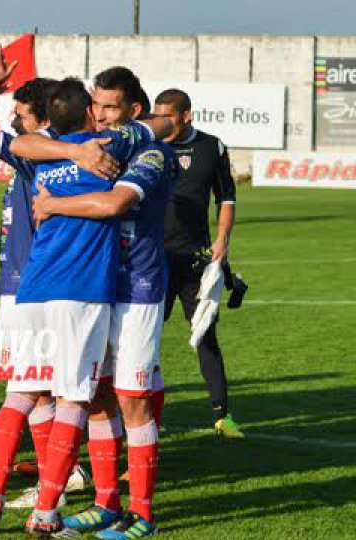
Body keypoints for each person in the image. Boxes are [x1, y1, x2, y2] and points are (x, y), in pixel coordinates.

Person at [5, 78, 160, 536]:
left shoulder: (146, 152)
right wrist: (75, 152)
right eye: (98, 106)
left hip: (137, 291)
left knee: (131, 400)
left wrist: (53, 204)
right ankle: (105, 502)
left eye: (111, 107)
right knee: (94, 397)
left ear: (133, 111)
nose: (103, 114)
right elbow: (21, 143)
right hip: (95, 287)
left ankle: (143, 514)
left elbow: (113, 203)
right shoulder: (88, 147)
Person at [0, 42, 65, 532]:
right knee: (41, 394)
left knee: (25, 393)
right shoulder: (53, 150)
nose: (14, 121)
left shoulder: (39, 151)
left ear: (42, 119)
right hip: (33, 286)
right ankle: (51, 484)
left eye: (21, 114)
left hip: (33, 289)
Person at [153, 88, 244, 438]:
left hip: (196, 260)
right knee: (145, 339)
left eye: (168, 117)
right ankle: (145, 415)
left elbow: (227, 198)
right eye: (157, 116)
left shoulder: (211, 147)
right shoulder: (149, 145)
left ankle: (222, 416)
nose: (162, 123)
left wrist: (222, 239)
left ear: (186, 115)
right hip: (153, 261)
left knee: (206, 336)